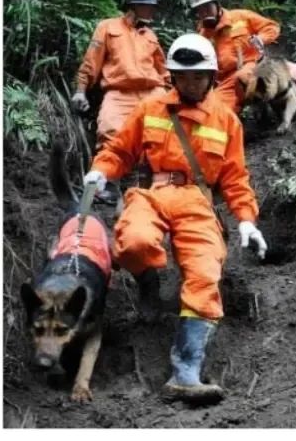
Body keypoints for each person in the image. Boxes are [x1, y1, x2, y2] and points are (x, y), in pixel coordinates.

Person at [82, 33, 268, 405]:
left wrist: (246, 220)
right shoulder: (151, 108)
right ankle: (148, 283)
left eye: (198, 76)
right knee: (133, 242)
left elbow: (235, 179)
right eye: (183, 76)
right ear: (173, 77)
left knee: (204, 272)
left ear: (211, 77)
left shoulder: (226, 121)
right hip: (152, 192)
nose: (191, 83)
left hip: (197, 202)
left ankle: (185, 373)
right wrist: (101, 170)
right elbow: (120, 150)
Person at [72, 0, 171, 202]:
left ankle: (156, 184)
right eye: (148, 7)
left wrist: (176, 93)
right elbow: (92, 60)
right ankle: (107, 184)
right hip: (119, 90)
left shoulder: (150, 36)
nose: (152, 12)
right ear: (134, 7)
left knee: (160, 135)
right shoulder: (108, 27)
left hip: (152, 90)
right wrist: (81, 91)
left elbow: (162, 69)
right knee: (110, 130)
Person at [191, 0, 280, 113]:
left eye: (207, 7)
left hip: (251, 65)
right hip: (224, 79)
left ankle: (257, 106)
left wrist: (261, 38)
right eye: (200, 10)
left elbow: (271, 26)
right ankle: (236, 117)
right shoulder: (202, 34)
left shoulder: (241, 16)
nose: (204, 13)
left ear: (217, 5)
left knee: (242, 76)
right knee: (213, 109)